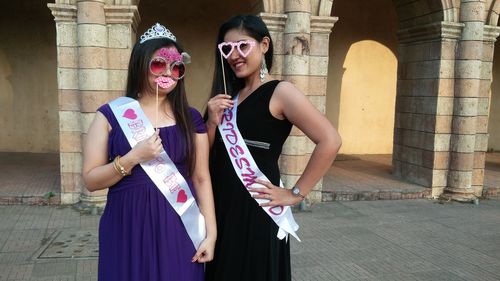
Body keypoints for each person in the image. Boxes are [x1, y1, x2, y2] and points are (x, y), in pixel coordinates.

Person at [204, 15, 342, 281]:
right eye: (227, 48)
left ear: (264, 45)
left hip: (256, 212)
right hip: (220, 209)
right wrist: (211, 121)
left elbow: (330, 140)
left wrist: (295, 193)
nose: (235, 55)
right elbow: (207, 155)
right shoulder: (227, 98)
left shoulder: (281, 92)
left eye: (243, 46)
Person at [82, 23, 216, 281]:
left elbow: (201, 178)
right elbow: (90, 180)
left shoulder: (191, 118)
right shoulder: (110, 115)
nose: (168, 72)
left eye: (176, 67)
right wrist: (133, 158)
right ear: (140, 63)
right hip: (126, 226)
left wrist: (211, 234)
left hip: (178, 226)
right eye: (158, 64)